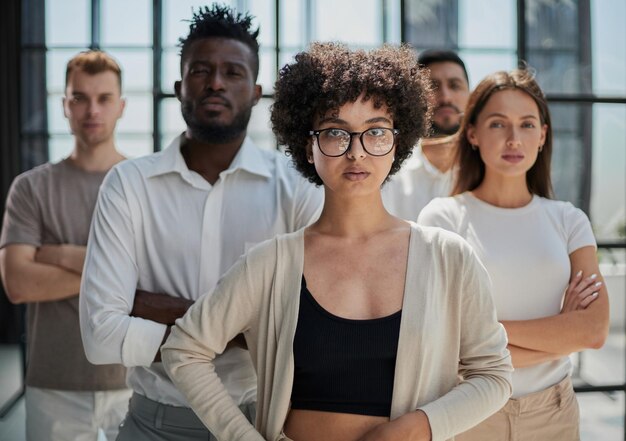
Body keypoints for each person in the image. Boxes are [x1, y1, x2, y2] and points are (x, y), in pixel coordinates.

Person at [161, 42, 512, 441]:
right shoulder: (271, 263)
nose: (356, 153)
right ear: (308, 147)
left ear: (397, 142)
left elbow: (493, 375)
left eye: (375, 132)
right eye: (334, 133)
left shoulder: (449, 257)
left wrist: (417, 428)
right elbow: (184, 349)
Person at [79, 5, 322, 441]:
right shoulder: (129, 184)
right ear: (178, 87)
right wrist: (247, 324)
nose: (215, 83)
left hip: (261, 422)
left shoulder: (297, 188)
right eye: (201, 70)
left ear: (255, 92)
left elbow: (313, 331)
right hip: (153, 423)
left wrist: (147, 305)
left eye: (233, 72)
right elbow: (100, 337)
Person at [418, 69, 610, 440]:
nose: (512, 138)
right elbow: (441, 343)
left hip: (553, 413)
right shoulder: (442, 217)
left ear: (542, 135)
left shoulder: (569, 220)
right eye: (497, 124)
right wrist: (559, 337)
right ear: (472, 133)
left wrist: (481, 341)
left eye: (526, 124)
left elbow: (593, 330)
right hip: (468, 412)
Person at [0, 50, 130, 441]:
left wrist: (62, 255)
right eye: (80, 97)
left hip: (133, 381)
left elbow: (153, 279)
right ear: (64, 106)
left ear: (121, 106)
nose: (92, 109)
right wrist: (114, 270)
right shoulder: (31, 187)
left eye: (104, 98)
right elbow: (19, 283)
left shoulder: (144, 186)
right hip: (53, 384)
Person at [382, 49, 470, 220]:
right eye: (433, 86)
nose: (446, 97)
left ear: (471, 96)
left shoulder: (489, 170)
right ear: (415, 97)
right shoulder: (389, 173)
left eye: (455, 85)